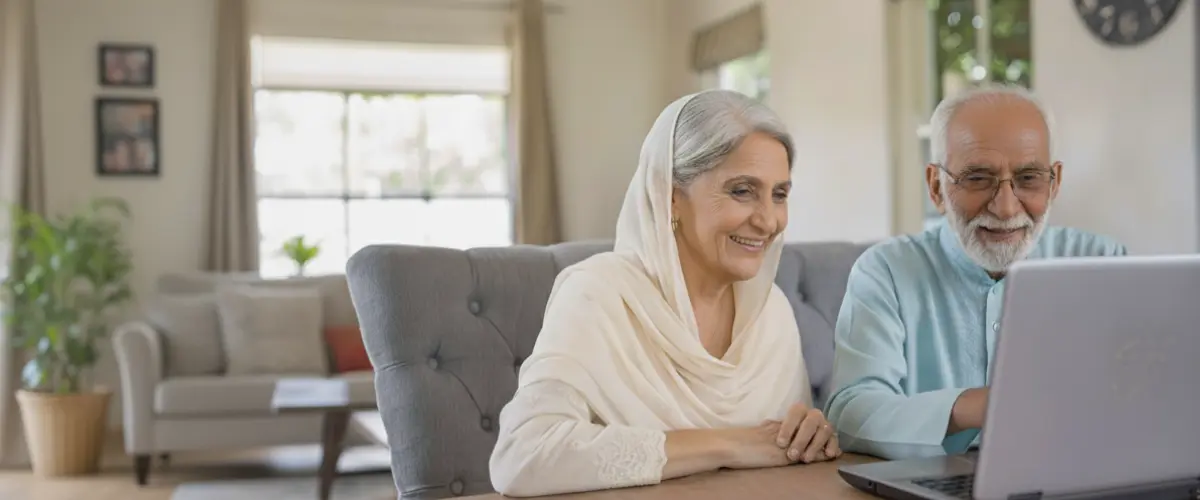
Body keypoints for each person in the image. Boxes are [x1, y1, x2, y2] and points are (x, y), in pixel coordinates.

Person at [488, 90, 841, 497]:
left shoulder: (770, 313)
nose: (768, 220)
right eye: (742, 191)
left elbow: (782, 458)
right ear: (670, 196)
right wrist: (731, 444)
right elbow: (523, 455)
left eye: (779, 194)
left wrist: (809, 438)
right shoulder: (599, 294)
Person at [823, 85, 1127, 460]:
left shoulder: (1103, 262)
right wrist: (982, 406)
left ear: (1055, 183)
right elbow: (851, 413)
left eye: (1029, 178)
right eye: (978, 178)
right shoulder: (886, 272)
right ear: (936, 187)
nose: (1004, 207)